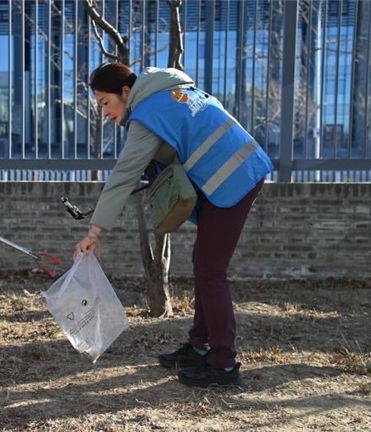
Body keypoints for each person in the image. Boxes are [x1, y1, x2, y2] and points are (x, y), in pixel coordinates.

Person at [74, 63, 274, 388]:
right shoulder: (169, 92)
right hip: (236, 169)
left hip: (235, 178)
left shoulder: (147, 115)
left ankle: (223, 364)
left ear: (125, 92)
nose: (105, 112)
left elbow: (124, 174)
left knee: (211, 270)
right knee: (204, 265)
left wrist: (95, 233)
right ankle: (198, 346)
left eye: (105, 103)